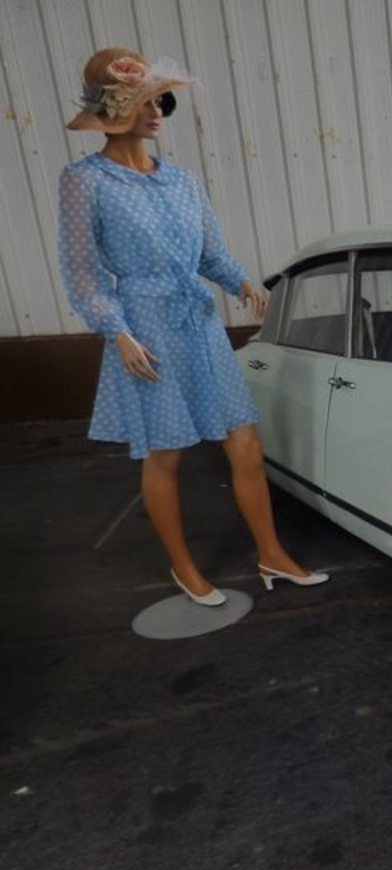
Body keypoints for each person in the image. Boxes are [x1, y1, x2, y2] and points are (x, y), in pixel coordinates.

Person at [58, 48, 328, 605]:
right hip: (145, 329)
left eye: (162, 101)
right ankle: (183, 567)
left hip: (199, 322)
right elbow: (83, 273)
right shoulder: (85, 182)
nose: (157, 111)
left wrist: (243, 282)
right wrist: (116, 330)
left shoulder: (181, 181)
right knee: (166, 451)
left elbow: (210, 255)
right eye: (145, 101)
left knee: (245, 440)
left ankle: (271, 553)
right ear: (115, 108)